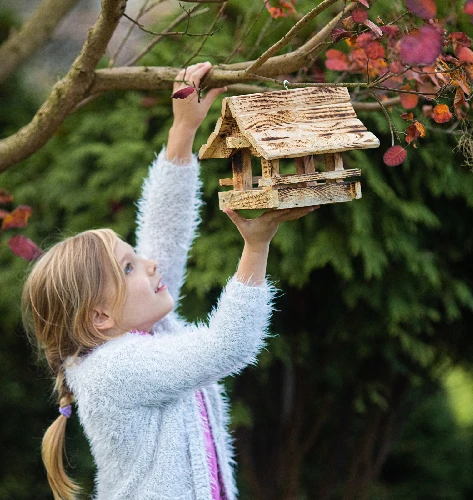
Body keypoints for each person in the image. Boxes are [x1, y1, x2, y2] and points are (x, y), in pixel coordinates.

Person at [22, 62, 317, 500]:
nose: (151, 265)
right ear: (100, 316)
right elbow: (226, 346)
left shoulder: (141, 330)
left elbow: (165, 233)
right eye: (129, 267)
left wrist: (183, 131)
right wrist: (255, 248)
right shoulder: (114, 371)